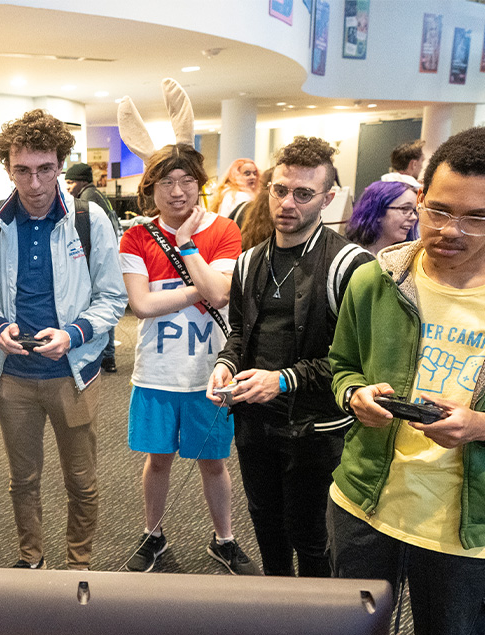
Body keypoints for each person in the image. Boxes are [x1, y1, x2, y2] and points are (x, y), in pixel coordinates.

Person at [328, 125, 485, 635]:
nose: (451, 230)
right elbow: (341, 365)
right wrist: (354, 395)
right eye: (439, 210)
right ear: (418, 198)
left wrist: (478, 426)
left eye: (476, 217)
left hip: (463, 522)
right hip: (366, 498)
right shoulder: (377, 278)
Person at [0, 109, 126, 570]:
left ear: (60, 165)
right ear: (8, 168)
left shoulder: (89, 220)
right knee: (23, 479)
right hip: (13, 376)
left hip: (72, 374)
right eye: (22, 170)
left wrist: (73, 334)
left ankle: (79, 564)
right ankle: (31, 559)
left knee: (81, 480)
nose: (34, 183)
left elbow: (112, 298)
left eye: (45, 169)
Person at [207, 136, 371, 577]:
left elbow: (355, 361)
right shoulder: (249, 261)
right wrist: (225, 364)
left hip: (316, 428)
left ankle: (315, 619)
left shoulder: (350, 265)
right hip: (254, 422)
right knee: (267, 526)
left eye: (303, 194)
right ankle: (275, 611)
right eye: (280, 189)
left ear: (327, 199)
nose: (287, 203)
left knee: (310, 536)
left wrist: (282, 379)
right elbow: (239, 333)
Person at [120, 144, 257, 575]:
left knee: (213, 462)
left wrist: (185, 246)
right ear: (151, 189)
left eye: (186, 181)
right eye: (166, 182)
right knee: (157, 459)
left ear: (200, 185)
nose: (177, 191)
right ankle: (153, 534)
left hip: (210, 373)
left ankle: (224, 539)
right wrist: (206, 286)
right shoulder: (136, 237)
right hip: (156, 373)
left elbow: (220, 295)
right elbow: (142, 305)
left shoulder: (224, 230)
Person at [65, 161, 122, 373]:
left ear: (82, 182)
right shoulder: (98, 195)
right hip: (109, 255)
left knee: (102, 303)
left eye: (71, 182)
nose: (68, 187)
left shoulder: (87, 202)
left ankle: (107, 356)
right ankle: (108, 356)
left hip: (98, 259)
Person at [345, 180, 418, 257]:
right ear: (378, 212)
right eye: (405, 208)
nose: (414, 217)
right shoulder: (353, 257)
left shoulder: (405, 258)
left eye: (415, 211)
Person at [239, 167, 275, 250]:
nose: (252, 177)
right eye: (247, 174)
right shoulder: (241, 200)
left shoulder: (244, 208)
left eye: (255, 174)